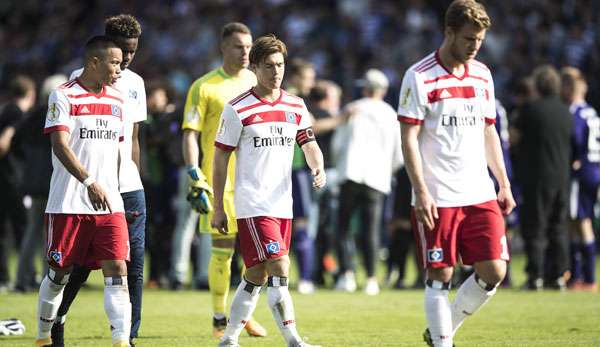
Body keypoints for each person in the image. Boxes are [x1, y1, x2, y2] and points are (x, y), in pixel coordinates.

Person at [397, 1, 515, 346]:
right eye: (468, 39)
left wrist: (503, 183)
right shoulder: (419, 76)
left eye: (479, 40)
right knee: (440, 274)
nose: (474, 46)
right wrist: (420, 190)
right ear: (448, 32)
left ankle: (442, 330)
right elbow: (408, 137)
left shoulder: (482, 74)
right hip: (438, 194)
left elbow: (488, 130)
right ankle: (443, 341)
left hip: (478, 191)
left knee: (495, 271)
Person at [213, 34, 324, 347]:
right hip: (253, 203)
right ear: (255, 67)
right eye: (269, 66)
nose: (276, 72)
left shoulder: (295, 105)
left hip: (282, 203)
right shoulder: (237, 108)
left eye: (280, 65)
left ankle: (230, 336)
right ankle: (293, 339)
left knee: (257, 273)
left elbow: (309, 142)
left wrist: (318, 166)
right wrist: (219, 206)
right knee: (280, 265)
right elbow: (220, 157)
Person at [50, 15, 147, 347]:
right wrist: (89, 180)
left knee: (130, 262)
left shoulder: (135, 83)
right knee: (77, 266)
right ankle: (57, 318)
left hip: (127, 187)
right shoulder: (78, 81)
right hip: (89, 187)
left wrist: (136, 176)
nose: (128, 59)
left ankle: (127, 336)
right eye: (123, 52)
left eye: (133, 52)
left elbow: (132, 136)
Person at [36, 35, 130, 347]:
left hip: (109, 204)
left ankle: (120, 341)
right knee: (59, 273)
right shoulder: (62, 96)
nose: (119, 68)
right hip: (69, 202)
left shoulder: (118, 100)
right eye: (114, 62)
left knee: (117, 268)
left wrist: (119, 189)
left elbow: (117, 150)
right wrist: (90, 182)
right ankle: (43, 337)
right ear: (93, 62)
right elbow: (60, 144)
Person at [180, 22, 266, 338]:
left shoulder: (259, 83)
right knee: (223, 252)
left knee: (258, 256)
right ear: (223, 48)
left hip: (255, 183)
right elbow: (191, 134)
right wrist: (194, 174)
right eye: (238, 46)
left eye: (248, 46)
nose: (245, 52)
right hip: (221, 184)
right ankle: (219, 318)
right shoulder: (204, 87)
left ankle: (243, 316)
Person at [332, 69, 403, 295]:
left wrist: (340, 166)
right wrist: (386, 171)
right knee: (371, 230)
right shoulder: (390, 114)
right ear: (382, 91)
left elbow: (337, 145)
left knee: (343, 228)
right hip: (377, 179)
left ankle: (347, 275)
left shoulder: (353, 109)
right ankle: (371, 278)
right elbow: (398, 154)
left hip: (350, 174)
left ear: (365, 88)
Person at [513, 65, 572, 291]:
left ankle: (535, 276)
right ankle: (558, 276)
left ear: (537, 85)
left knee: (535, 227)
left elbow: (514, 139)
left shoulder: (530, 110)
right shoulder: (565, 111)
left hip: (537, 176)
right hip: (561, 177)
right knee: (558, 227)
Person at [15, 74, 66, 293]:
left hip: (31, 181)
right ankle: (48, 279)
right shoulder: (57, 116)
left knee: (32, 231)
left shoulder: (30, 117)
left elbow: (17, 145)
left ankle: (22, 278)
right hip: (50, 180)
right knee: (49, 233)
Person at [561, 67, 598, 292]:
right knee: (582, 222)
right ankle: (581, 276)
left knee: (578, 224)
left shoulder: (574, 113)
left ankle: (584, 277)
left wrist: (574, 158)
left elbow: (575, 137)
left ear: (568, 88)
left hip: (581, 172)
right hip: (595, 170)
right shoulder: (592, 112)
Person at [0, 75, 36, 291]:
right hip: (15, 178)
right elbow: (5, 141)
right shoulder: (17, 114)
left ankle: (3, 276)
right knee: (24, 227)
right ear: (30, 94)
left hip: (4, 178)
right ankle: (27, 275)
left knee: (3, 229)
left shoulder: (4, 110)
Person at [285, 58, 318, 294]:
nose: (312, 83)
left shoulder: (283, 97)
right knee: (302, 223)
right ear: (296, 77)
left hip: (288, 168)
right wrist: (341, 119)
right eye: (308, 77)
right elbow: (312, 128)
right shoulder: (294, 101)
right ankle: (305, 278)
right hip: (295, 168)